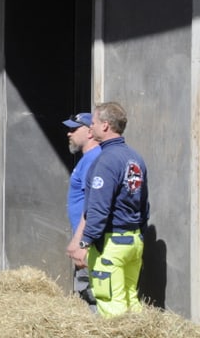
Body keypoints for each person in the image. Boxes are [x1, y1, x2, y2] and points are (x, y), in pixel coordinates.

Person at [67, 102, 148, 318]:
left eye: (92, 123)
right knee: (131, 302)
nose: (90, 128)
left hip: (111, 244)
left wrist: (85, 242)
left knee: (112, 308)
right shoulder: (135, 158)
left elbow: (98, 207)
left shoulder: (106, 160)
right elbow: (144, 205)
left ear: (105, 126)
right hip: (133, 241)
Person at [62, 112, 101, 311]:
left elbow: (93, 204)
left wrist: (82, 241)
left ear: (90, 132)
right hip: (85, 237)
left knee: (90, 294)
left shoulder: (94, 159)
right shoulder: (85, 159)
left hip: (89, 240)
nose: (69, 134)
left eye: (74, 129)